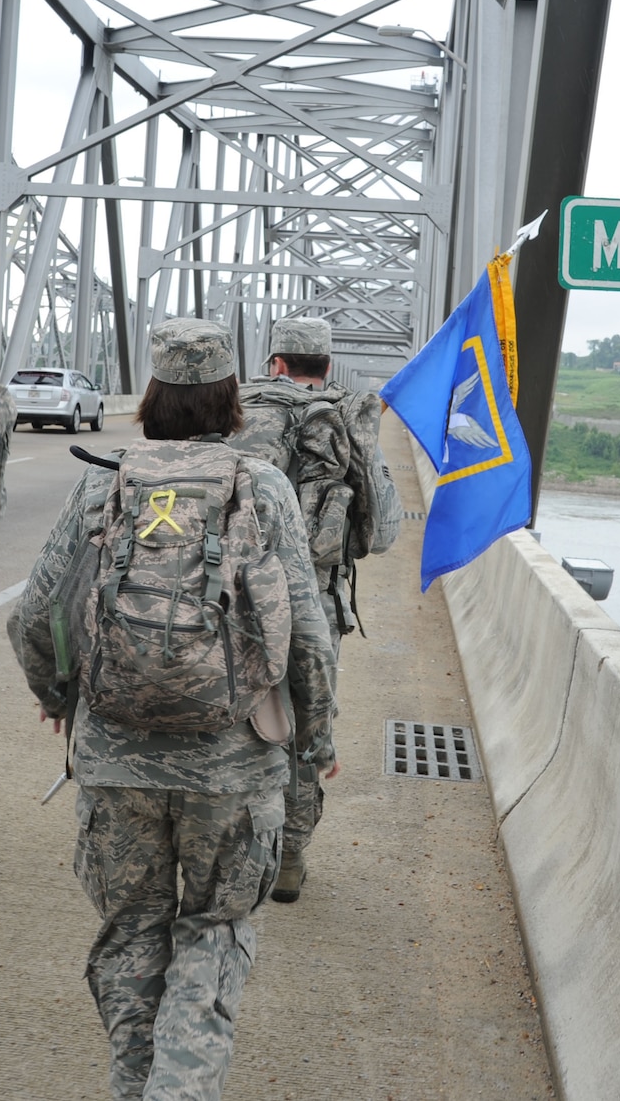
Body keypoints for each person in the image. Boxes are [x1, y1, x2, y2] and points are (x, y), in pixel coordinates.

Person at [9, 318, 339, 1101]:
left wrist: (60, 694)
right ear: (232, 400)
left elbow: (32, 615)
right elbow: (309, 639)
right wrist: (315, 742)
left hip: (116, 759)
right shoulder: (262, 486)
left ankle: (136, 1086)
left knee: (131, 936)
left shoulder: (103, 480)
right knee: (213, 934)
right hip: (234, 764)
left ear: (152, 395)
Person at [230, 315, 401, 902]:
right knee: (304, 723)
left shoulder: (236, 409)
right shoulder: (346, 420)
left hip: (234, 597)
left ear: (274, 363)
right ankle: (291, 858)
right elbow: (381, 533)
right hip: (315, 604)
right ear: (327, 368)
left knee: (233, 711)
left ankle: (226, 842)